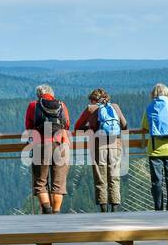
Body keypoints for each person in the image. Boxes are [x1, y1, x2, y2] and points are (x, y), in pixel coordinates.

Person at [73, 88, 128, 211]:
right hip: (115, 144)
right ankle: (114, 209)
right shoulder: (115, 107)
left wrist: (88, 128)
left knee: (100, 177)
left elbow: (77, 127)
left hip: (99, 145)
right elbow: (124, 125)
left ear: (93, 99)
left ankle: (103, 210)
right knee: (114, 176)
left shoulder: (91, 109)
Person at [23, 83, 71, 214]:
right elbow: (67, 124)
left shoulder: (34, 105)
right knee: (58, 183)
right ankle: (56, 213)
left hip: (41, 144)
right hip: (61, 144)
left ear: (39, 95)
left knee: (40, 182)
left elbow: (28, 126)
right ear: (52, 94)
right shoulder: (61, 105)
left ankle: (47, 211)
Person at [142, 83, 168, 211]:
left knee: (157, 181)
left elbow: (145, 125)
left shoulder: (150, 107)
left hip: (155, 149)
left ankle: (158, 209)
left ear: (153, 94)